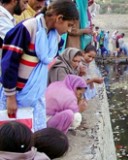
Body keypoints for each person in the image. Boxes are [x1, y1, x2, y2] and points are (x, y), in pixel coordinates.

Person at [0, 0, 79, 131]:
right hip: (17, 95)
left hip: (36, 98)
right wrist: (11, 97)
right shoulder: (28, 28)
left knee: (34, 134)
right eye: (69, 25)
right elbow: (9, 63)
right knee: (13, 134)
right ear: (59, 18)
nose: (69, 30)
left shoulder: (54, 38)